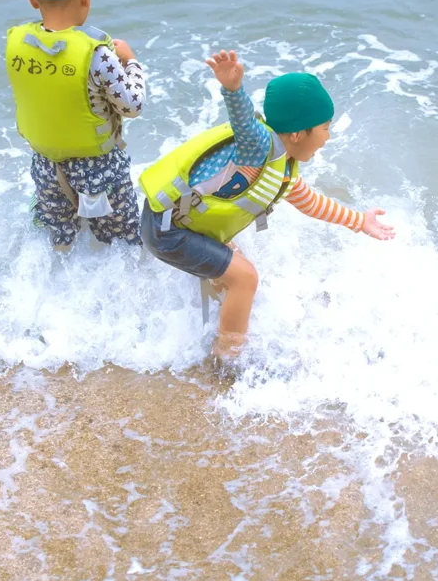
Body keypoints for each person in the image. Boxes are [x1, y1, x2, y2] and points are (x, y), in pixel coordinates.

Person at [138, 49, 395, 361]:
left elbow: (311, 203)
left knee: (233, 266)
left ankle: (211, 332)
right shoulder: (259, 147)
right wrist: (233, 88)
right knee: (245, 277)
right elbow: (244, 121)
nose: (328, 137)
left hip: (180, 224)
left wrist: (359, 221)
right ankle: (228, 358)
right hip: (168, 230)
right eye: (325, 127)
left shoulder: (282, 168)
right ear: (299, 133)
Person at [5, 0, 146, 250]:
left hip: (47, 167)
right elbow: (132, 105)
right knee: (122, 242)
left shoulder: (17, 43)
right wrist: (131, 61)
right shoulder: (98, 55)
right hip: (99, 170)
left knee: (62, 240)